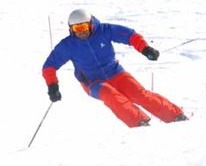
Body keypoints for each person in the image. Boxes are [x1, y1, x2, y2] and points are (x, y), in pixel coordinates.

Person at [42, 9, 188, 128]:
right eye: (76, 28)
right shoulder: (68, 45)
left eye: (84, 27)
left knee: (140, 94)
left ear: (91, 24)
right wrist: (53, 87)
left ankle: (175, 116)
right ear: (71, 29)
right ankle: (139, 123)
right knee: (111, 95)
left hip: (115, 72)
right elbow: (49, 66)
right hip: (93, 82)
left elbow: (130, 35)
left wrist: (145, 49)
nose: (81, 32)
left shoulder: (104, 30)